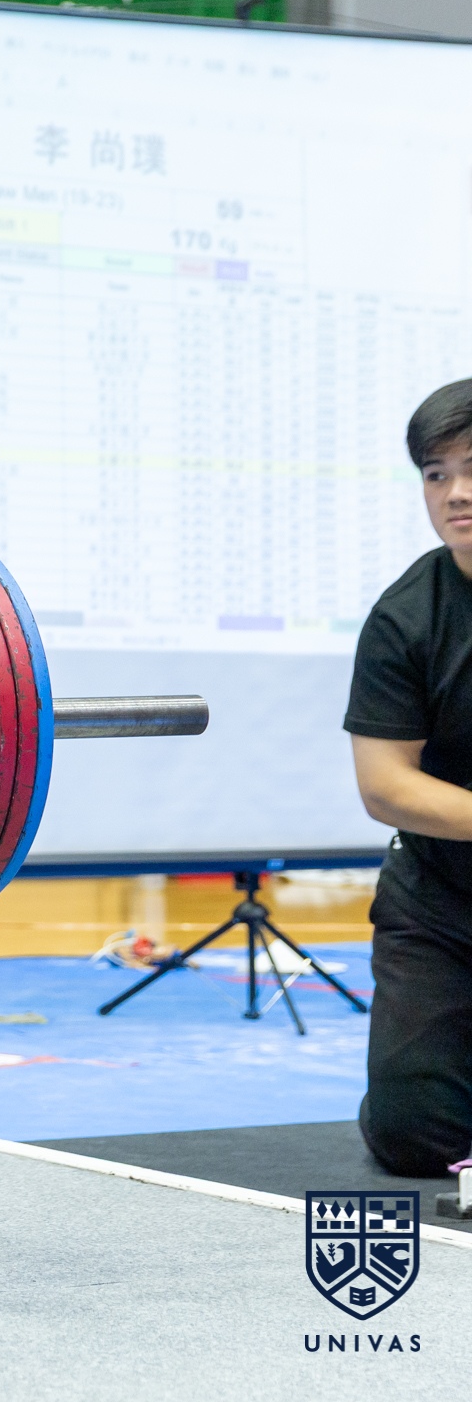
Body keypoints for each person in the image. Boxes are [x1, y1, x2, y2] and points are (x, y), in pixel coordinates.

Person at [346, 377, 472, 1177]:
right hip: (441, 904)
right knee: (414, 1134)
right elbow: (386, 785)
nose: (456, 492)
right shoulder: (406, 616)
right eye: (436, 473)